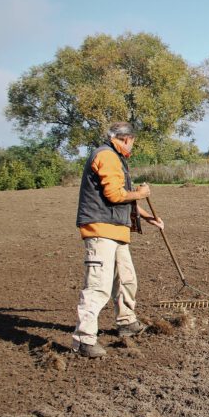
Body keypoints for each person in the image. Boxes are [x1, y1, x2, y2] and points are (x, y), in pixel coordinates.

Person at [72, 122, 164, 358]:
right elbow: (114, 195)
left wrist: (148, 216)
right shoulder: (107, 156)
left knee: (126, 278)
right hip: (101, 230)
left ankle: (126, 322)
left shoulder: (114, 157)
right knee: (98, 286)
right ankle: (84, 340)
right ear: (126, 139)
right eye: (133, 141)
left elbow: (124, 198)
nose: (132, 145)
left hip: (116, 230)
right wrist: (141, 194)